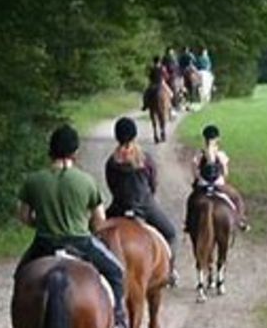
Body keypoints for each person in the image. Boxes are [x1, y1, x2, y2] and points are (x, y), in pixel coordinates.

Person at [15, 124, 128, 328]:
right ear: (75, 152)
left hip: (43, 244)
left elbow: (23, 216)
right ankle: (119, 318)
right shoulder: (86, 181)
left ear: (51, 151)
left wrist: (40, 222)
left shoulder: (33, 181)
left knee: (20, 275)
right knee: (116, 272)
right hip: (81, 243)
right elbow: (99, 221)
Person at [105, 117, 179, 287]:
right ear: (134, 135)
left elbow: (111, 185)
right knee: (171, 234)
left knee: (93, 233)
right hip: (145, 206)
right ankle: (170, 271)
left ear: (117, 136)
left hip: (118, 207)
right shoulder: (145, 159)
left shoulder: (112, 161)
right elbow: (153, 184)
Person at [184, 124, 249, 232]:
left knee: (190, 201)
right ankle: (241, 220)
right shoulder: (221, 155)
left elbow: (195, 172)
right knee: (237, 198)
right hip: (219, 185)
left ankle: (188, 223)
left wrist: (199, 180)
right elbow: (225, 172)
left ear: (204, 138)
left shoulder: (199, 155)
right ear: (218, 138)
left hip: (203, 186)